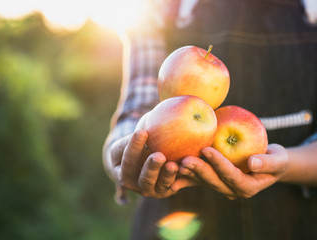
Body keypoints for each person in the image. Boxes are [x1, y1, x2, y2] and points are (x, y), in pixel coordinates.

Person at [103, 0, 317, 239]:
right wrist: (123, 156)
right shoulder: (159, 7)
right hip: (175, 218)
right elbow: (137, 112)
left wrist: (289, 163)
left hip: (293, 221)